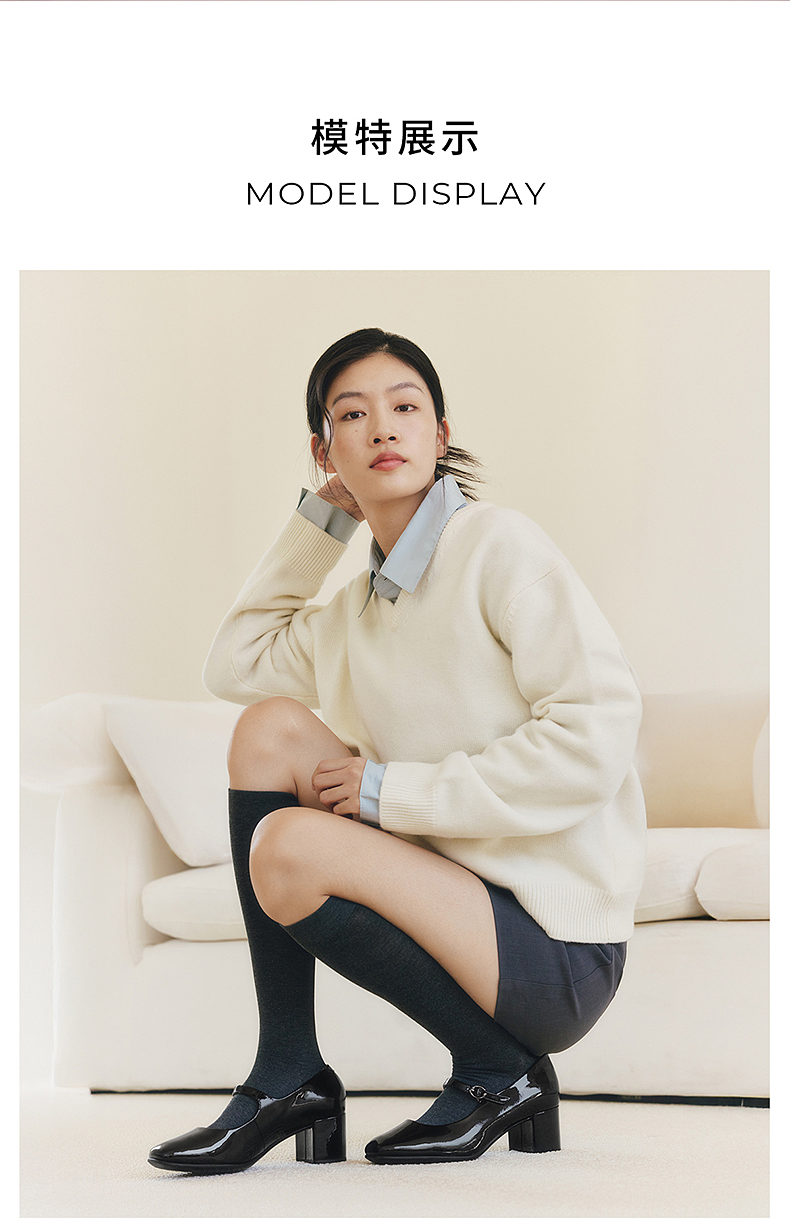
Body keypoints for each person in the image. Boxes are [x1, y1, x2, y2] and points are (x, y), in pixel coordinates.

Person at [148, 327, 646, 1172]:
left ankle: (499, 1067)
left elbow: (593, 737)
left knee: (289, 845)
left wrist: (393, 792)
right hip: (456, 905)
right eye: (353, 414)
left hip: (555, 944)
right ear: (326, 453)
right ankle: (288, 1072)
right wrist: (321, 524)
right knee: (267, 729)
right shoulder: (356, 609)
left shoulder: (499, 547)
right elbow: (234, 663)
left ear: (440, 435)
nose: (383, 427)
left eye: (406, 407)